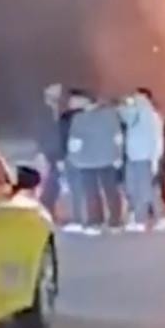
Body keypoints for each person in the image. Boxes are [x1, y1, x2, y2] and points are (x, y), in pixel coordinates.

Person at [64, 90, 125, 235]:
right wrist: (118, 155)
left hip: (86, 160)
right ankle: (115, 221)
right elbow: (118, 137)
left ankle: (95, 221)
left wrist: (73, 159)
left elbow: (74, 143)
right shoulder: (110, 115)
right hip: (108, 158)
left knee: (91, 192)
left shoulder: (78, 118)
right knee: (111, 190)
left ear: (85, 101)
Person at [119, 89, 165, 232]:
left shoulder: (152, 116)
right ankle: (161, 217)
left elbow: (158, 139)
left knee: (144, 190)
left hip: (145, 157)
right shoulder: (135, 114)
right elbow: (123, 116)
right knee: (139, 188)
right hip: (134, 156)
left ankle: (140, 220)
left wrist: (155, 159)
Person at [36, 83, 68, 218]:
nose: (58, 97)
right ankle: (45, 211)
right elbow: (42, 133)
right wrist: (42, 152)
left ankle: (49, 210)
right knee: (50, 184)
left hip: (54, 152)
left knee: (54, 185)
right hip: (49, 152)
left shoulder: (56, 111)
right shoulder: (44, 112)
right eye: (55, 94)